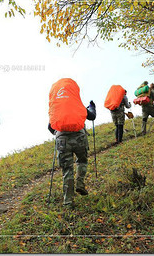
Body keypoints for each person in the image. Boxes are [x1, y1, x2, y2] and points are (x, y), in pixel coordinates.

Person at [48, 78, 96, 208]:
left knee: (67, 169)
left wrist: (59, 134)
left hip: (62, 140)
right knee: (82, 160)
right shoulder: (77, 104)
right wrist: (92, 107)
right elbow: (92, 116)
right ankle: (80, 184)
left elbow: (50, 127)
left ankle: (68, 202)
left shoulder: (56, 107)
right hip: (79, 136)